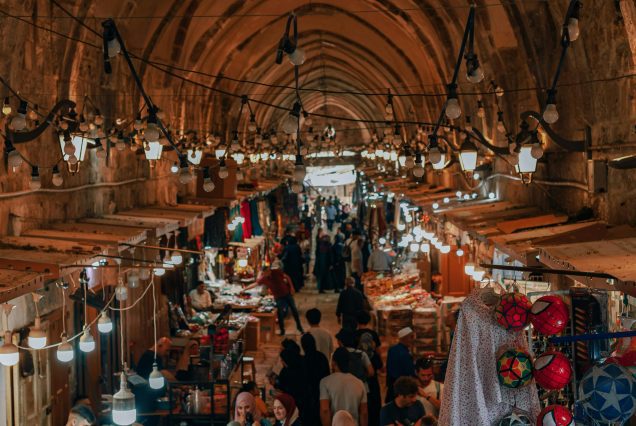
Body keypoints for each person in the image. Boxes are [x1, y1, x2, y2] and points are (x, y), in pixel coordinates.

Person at [245, 262, 303, 335]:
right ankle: (282, 330)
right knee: (280, 313)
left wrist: (292, 287)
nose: (266, 273)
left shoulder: (276, 272)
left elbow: (287, 277)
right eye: (264, 273)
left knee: (294, 310)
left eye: (267, 272)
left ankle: (299, 327)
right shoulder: (264, 278)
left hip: (287, 294)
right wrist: (244, 289)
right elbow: (255, 284)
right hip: (278, 297)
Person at [319, 347, 368, 426]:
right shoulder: (359, 383)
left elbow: (325, 410)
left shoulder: (325, 382)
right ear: (349, 363)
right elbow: (364, 413)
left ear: (334, 362)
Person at [355, 311, 383, 426]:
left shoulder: (355, 334)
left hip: (360, 372)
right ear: (368, 321)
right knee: (374, 399)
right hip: (373, 370)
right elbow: (378, 351)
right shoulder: (373, 334)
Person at [301, 333, 331, 425]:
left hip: (308, 398)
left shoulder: (303, 360)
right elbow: (327, 375)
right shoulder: (322, 357)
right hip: (322, 394)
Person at [276, 348, 309, 421]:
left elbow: (281, 386)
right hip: (301, 402)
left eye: (282, 360)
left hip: (291, 403)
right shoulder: (300, 368)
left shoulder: (285, 372)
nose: (281, 362)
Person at [385, 328, 416, 403]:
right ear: (404, 338)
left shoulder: (392, 349)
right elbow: (409, 370)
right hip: (403, 387)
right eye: (411, 337)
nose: (413, 340)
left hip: (392, 385)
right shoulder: (404, 353)